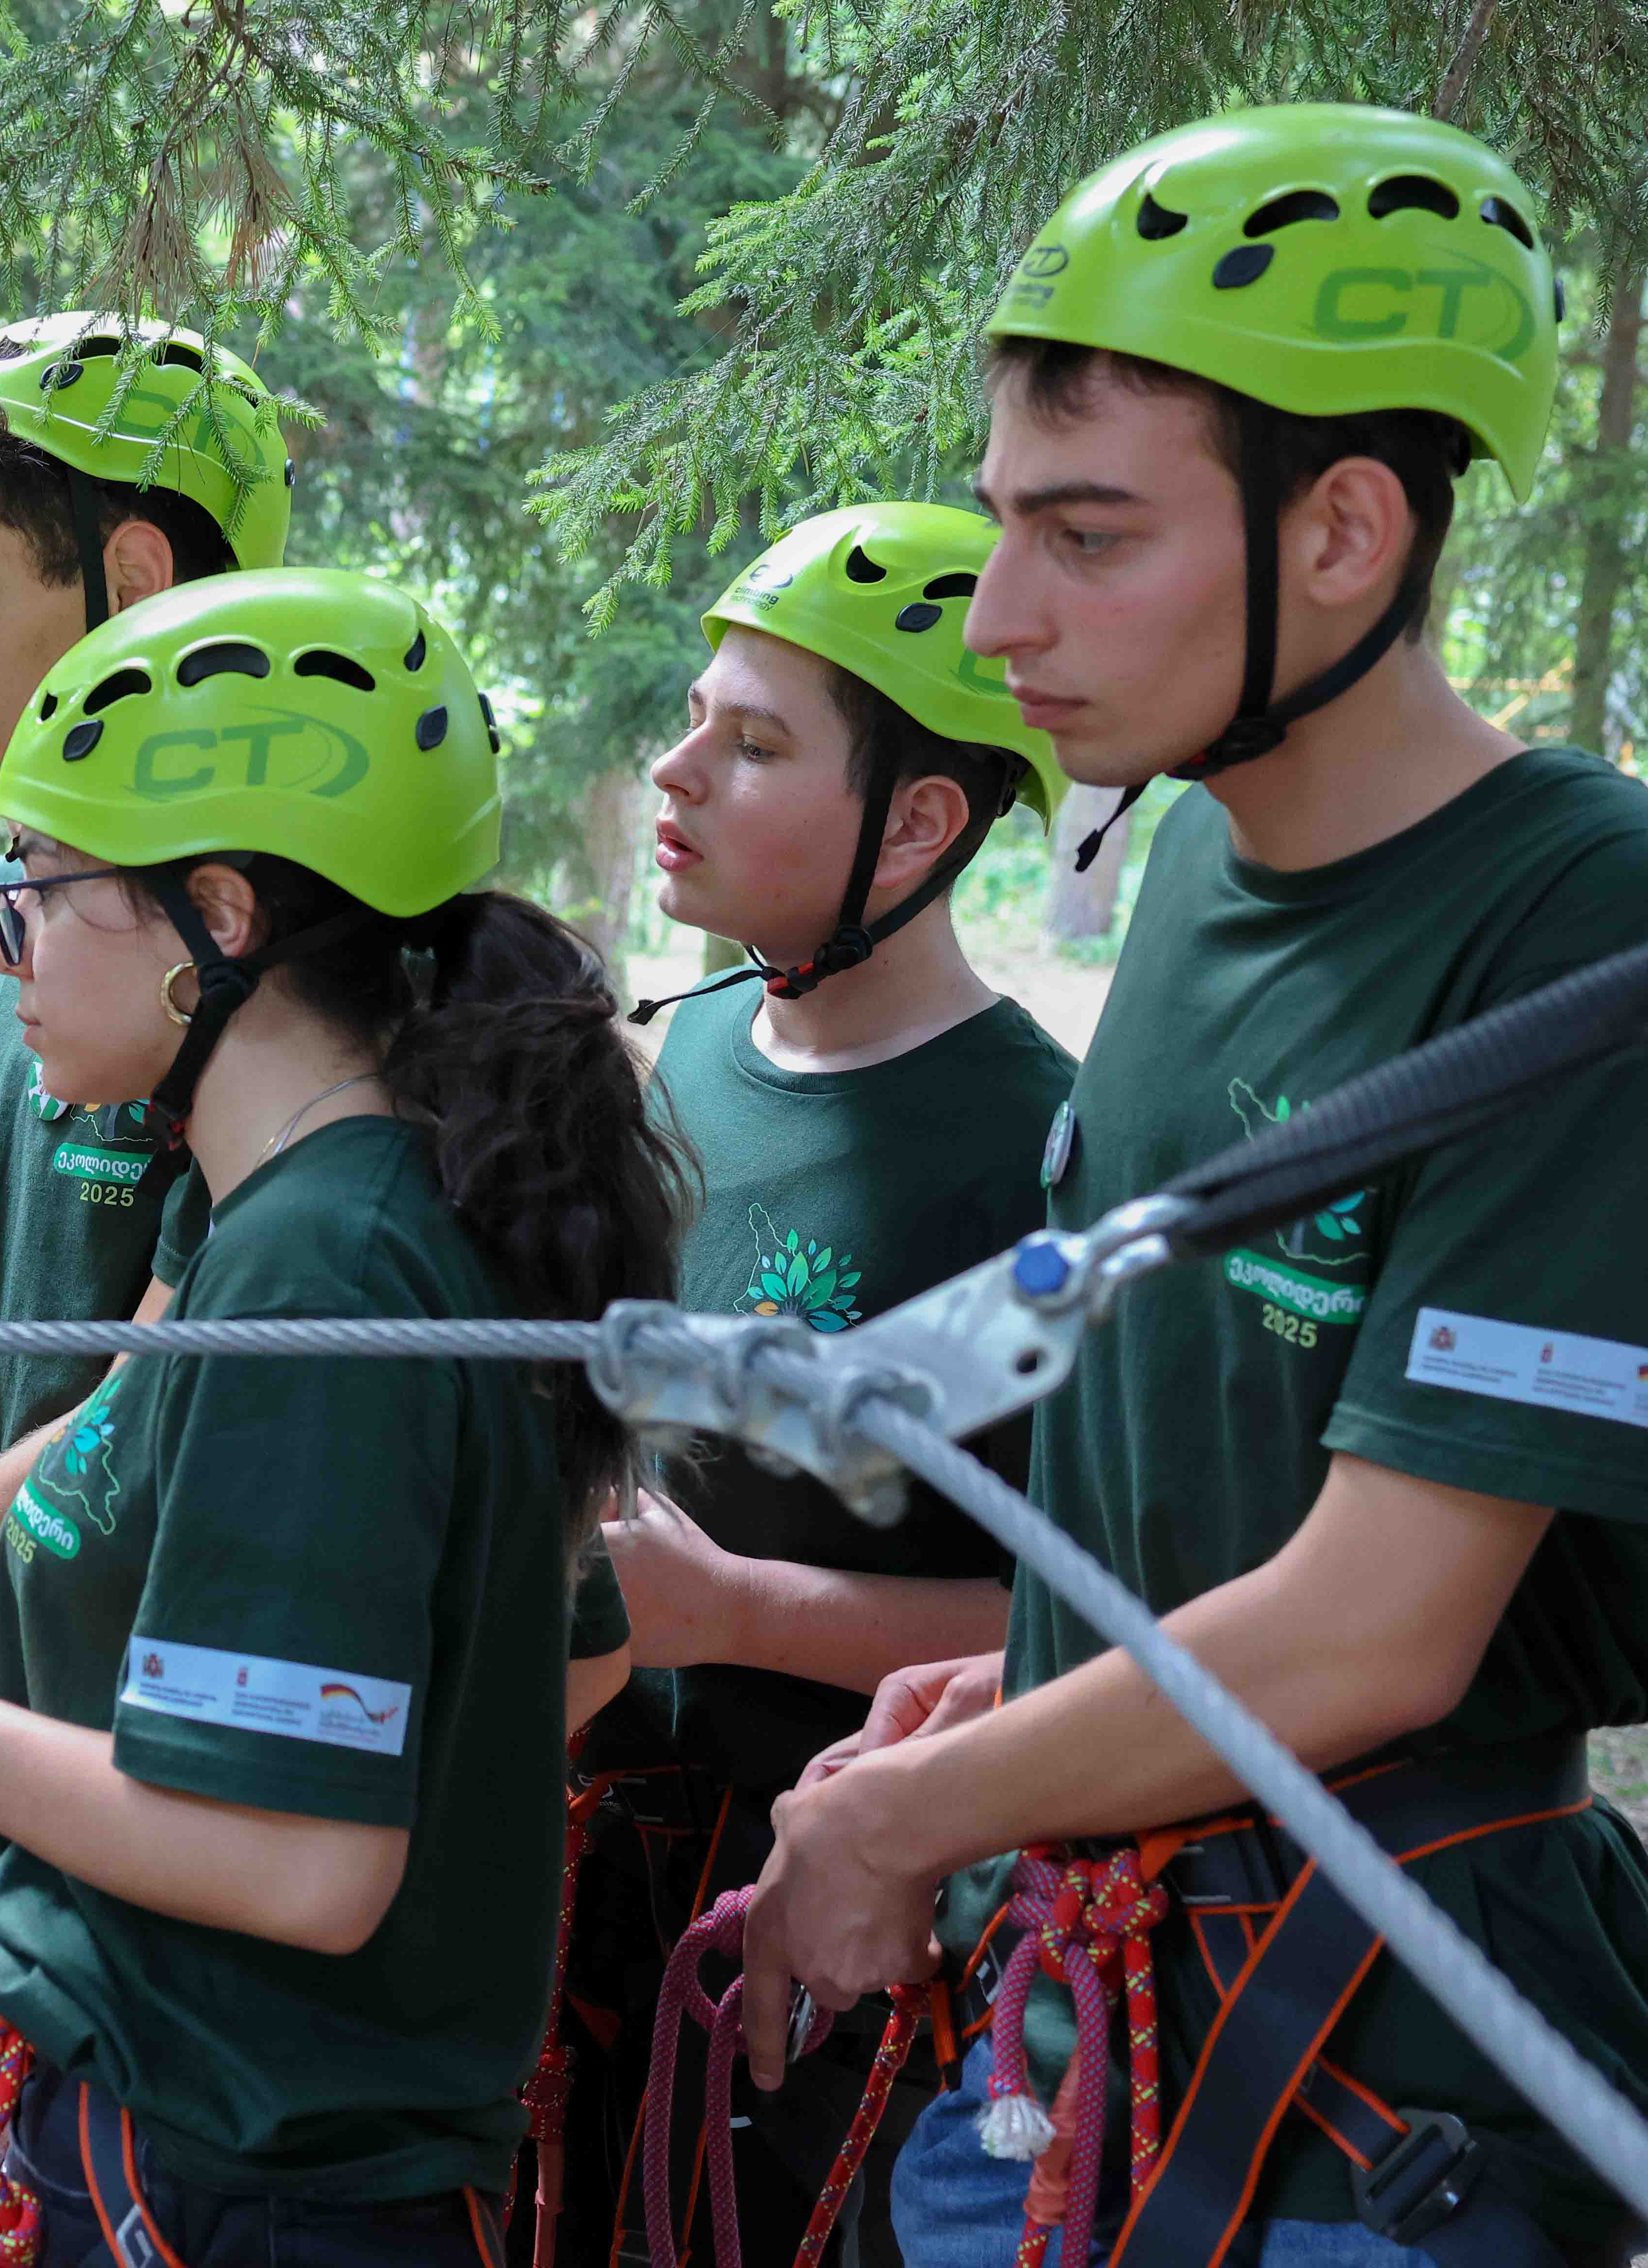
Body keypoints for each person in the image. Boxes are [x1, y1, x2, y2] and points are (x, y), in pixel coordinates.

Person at [736, 106, 1648, 2268]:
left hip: (1367, 2098)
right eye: (1003, 525)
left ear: (1342, 531)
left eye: (1088, 536)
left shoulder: (1573, 933)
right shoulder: (1202, 865)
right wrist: (1037, 1676)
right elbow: (1214, 1456)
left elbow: (1377, 1627)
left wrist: (899, 1819)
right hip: (1091, 2028)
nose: (998, 615)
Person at [0, 565, 687, 2264]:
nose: (5, 943)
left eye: (44, 887)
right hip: (228, 2150)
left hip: (246, 2181)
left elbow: (302, 1866)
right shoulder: (331, 1217)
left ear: (217, 918)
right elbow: (558, 1663)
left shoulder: (326, 1269)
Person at [560, 502, 1076, 2267]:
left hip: (837, 1931)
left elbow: (1074, 1621)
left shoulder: (1029, 1162)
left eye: (758, 745)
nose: (679, 768)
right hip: (597, 1882)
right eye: (697, 718)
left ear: (920, 824)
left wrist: (738, 1610)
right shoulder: (675, 1052)